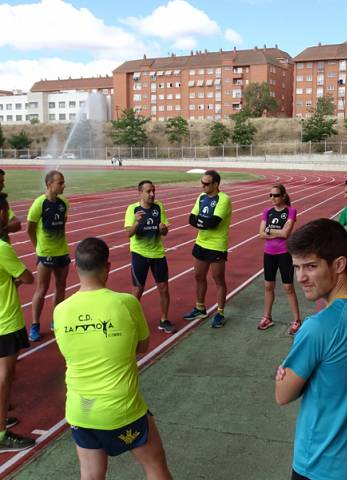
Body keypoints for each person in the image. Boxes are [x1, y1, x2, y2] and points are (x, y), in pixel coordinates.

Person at [276, 219, 347, 480]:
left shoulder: (317, 328)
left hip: (320, 465)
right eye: (296, 267)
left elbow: (283, 394)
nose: (301, 277)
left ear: (339, 265)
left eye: (311, 266)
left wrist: (285, 374)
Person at [53, 237, 172, 480]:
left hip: (81, 410)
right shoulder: (126, 303)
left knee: (90, 476)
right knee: (156, 468)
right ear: (108, 267)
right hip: (122, 408)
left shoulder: (60, 310)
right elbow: (142, 346)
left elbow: (70, 350)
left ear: (75, 267)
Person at [0, 193, 36, 452]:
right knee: (5, 378)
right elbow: (27, 277)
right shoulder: (2, 249)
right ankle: (2, 433)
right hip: (5, 321)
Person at [124, 180, 174, 334]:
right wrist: (136, 223)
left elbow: (165, 232)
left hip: (158, 253)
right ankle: (132, 321)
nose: (152, 194)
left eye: (153, 191)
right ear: (140, 193)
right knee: (137, 290)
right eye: (148, 191)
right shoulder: (132, 209)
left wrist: (163, 228)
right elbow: (128, 234)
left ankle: (164, 320)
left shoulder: (159, 207)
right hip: (139, 253)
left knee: (163, 288)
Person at [183, 170, 232, 328]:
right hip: (201, 243)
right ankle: (200, 308)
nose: (202, 186)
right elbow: (191, 219)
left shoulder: (223, 199)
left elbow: (214, 222)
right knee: (198, 276)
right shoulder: (201, 197)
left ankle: (220, 312)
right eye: (202, 183)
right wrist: (204, 222)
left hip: (217, 245)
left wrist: (201, 222)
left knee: (218, 279)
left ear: (216, 184)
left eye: (206, 183)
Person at [27, 170, 70, 342]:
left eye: (63, 182)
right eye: (60, 183)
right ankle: (35, 325)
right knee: (42, 289)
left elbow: (62, 224)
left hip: (62, 252)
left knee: (61, 287)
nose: (63, 185)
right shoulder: (39, 204)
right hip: (45, 254)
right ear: (49, 184)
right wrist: (38, 248)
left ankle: (56, 320)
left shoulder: (64, 202)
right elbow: (29, 229)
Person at [257, 184, 301, 334]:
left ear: (283, 195)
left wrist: (269, 230)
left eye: (276, 195)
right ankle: (267, 317)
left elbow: (285, 234)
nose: (273, 198)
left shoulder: (291, 211)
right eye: (270, 195)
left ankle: (296, 320)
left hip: (284, 254)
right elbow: (260, 233)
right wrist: (275, 231)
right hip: (268, 254)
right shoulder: (267, 212)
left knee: (288, 288)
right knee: (268, 286)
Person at [0, 168, 21, 242]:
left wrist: (3, 228)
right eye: (1, 182)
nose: (3, 186)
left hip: (4, 249)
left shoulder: (3, 202)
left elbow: (17, 224)